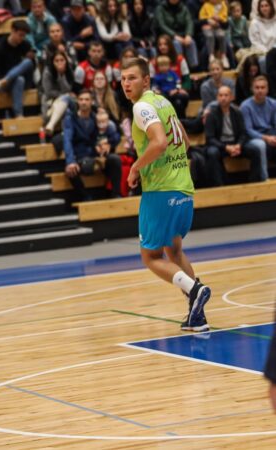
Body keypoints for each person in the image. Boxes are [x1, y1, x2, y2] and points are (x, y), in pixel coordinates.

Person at [120, 57, 212, 332]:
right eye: (123, 79)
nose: (126, 83)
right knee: (174, 250)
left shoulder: (141, 107)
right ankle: (197, 316)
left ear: (146, 80)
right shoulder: (164, 102)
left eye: (132, 78)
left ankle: (194, 290)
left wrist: (136, 167)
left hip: (161, 191)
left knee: (150, 257)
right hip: (184, 188)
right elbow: (184, 141)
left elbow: (160, 142)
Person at [204, 85, 259, 186]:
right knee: (212, 152)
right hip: (220, 145)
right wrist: (226, 147)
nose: (223, 98)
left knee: (255, 150)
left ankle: (255, 182)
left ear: (232, 97)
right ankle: (218, 185)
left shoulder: (237, 112)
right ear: (217, 97)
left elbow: (243, 133)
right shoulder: (211, 114)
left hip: (235, 144)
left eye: (226, 95)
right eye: (220, 95)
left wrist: (239, 145)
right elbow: (210, 138)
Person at [0, 20, 35, 119]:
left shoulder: (26, 45)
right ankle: (19, 114)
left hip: (21, 80)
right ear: (13, 31)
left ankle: (4, 81)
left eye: (24, 36)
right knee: (19, 80)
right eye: (20, 35)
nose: (22, 38)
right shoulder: (0, 48)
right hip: (7, 83)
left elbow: (31, 66)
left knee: (28, 62)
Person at [239, 75, 276, 181]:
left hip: (270, 134)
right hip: (252, 138)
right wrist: (266, 138)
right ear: (252, 89)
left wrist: (273, 137)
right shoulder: (245, 106)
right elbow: (248, 130)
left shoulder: (273, 103)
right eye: (257, 87)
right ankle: (264, 178)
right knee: (261, 145)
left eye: (263, 87)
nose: (260, 90)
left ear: (267, 89)